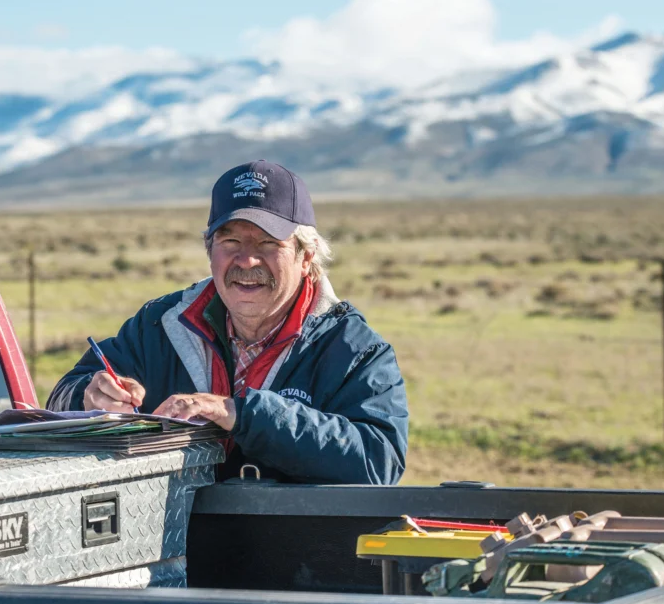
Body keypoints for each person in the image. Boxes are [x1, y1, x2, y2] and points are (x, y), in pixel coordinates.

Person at [47, 160, 409, 484]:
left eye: (268, 244)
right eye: (230, 240)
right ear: (209, 250)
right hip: (169, 550)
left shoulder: (352, 348)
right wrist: (89, 396)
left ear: (306, 256)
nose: (246, 260)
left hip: (296, 552)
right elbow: (58, 400)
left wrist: (240, 413)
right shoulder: (159, 325)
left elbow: (380, 460)